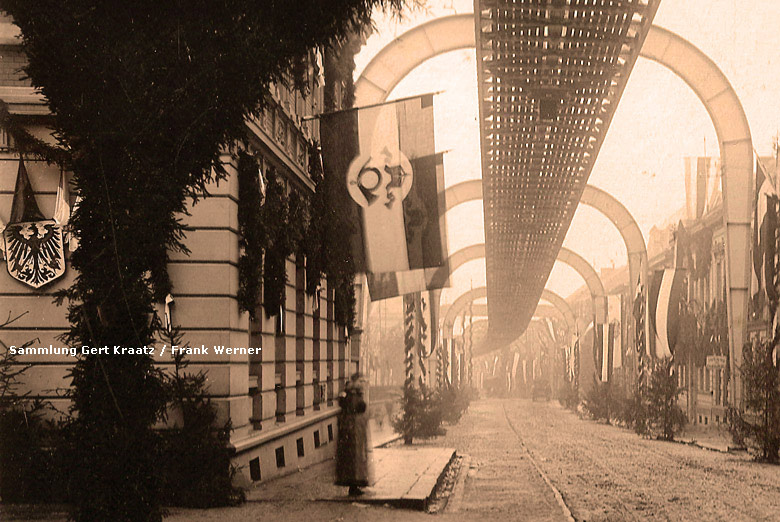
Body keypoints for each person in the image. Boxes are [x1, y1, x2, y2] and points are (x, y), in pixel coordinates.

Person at [335, 373, 372, 496]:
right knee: (356, 456)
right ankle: (354, 485)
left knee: (349, 457)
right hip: (355, 428)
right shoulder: (357, 393)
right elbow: (361, 407)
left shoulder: (346, 392)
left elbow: (342, 405)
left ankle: (352, 485)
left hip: (347, 427)